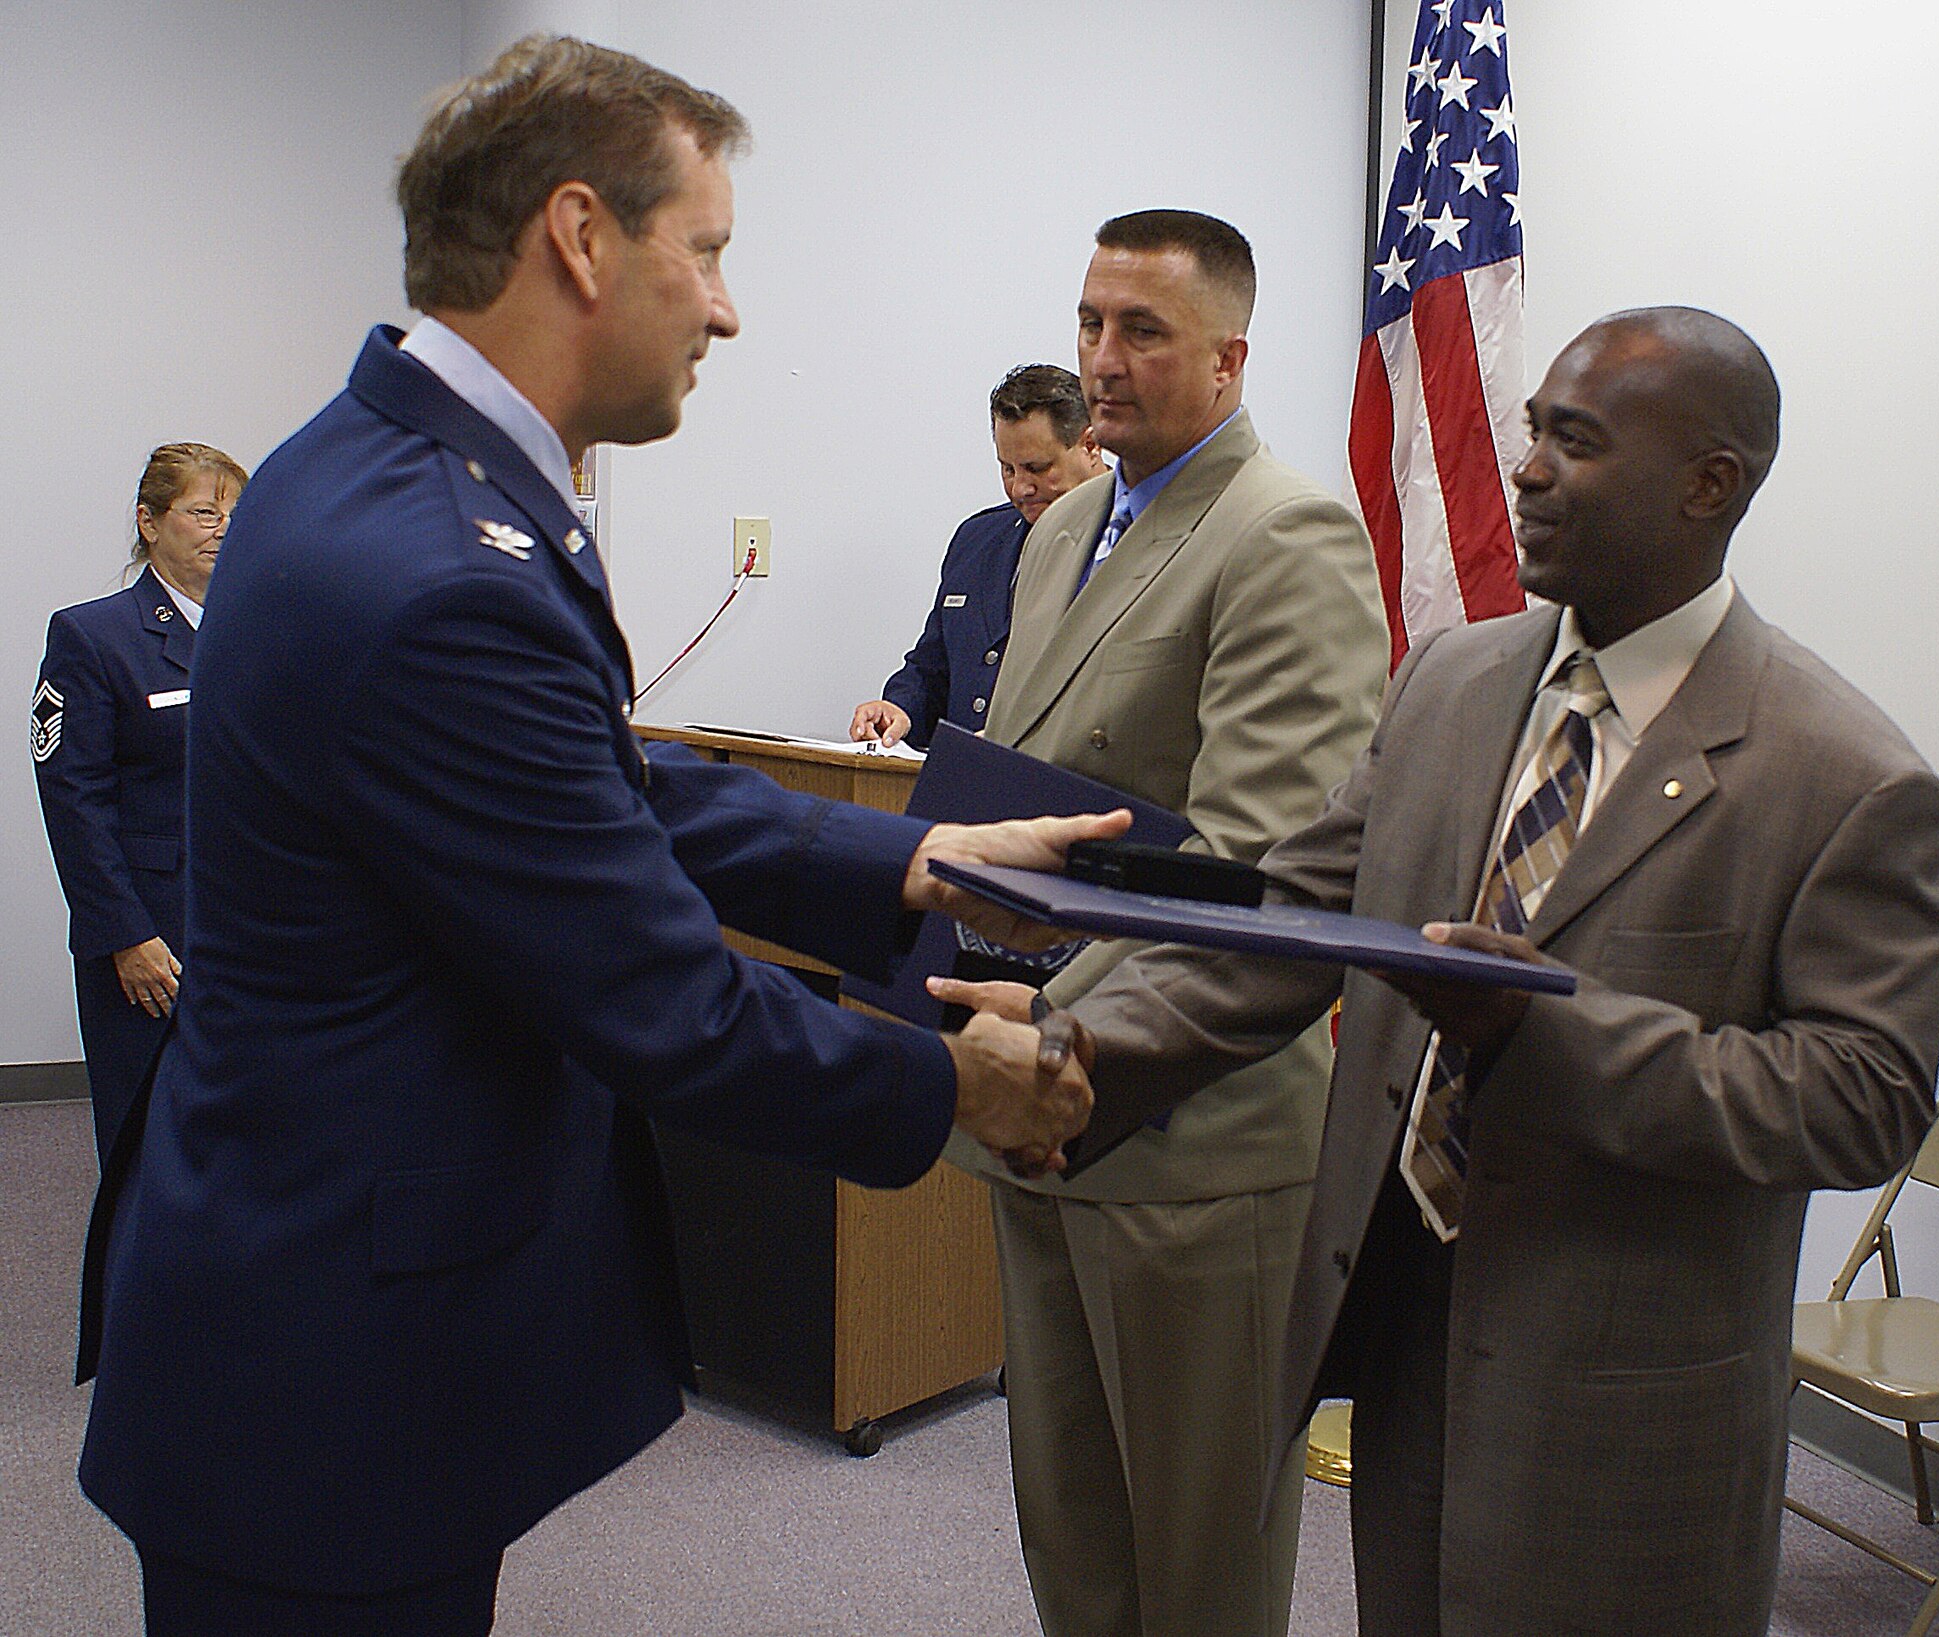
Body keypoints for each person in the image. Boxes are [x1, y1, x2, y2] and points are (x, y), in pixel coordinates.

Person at [73, 36, 1118, 1635]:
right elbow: (667, 1005)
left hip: (318, 1306)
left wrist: (914, 862)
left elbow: (594, 783)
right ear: (579, 236)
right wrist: (952, 1080)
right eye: (704, 250)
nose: (725, 305)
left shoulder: (378, 468)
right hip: (326, 1386)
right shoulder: (443, 563)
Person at [949, 307, 1939, 1636]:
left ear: (1710, 484)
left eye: (1576, 441)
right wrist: (1092, 1059)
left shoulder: (1847, 777)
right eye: (1535, 427)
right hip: (1410, 1333)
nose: (1528, 467)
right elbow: (1292, 913)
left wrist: (1547, 1036)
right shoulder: (1453, 681)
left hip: (1625, 1405)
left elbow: (1863, 1095)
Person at [942, 210, 1390, 1637]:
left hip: (1191, 1136)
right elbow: (1030, 797)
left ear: (1229, 358)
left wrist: (1050, 1019)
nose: (1103, 360)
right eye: (1090, 324)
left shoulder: (1285, 533)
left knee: (1198, 1575)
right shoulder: (1065, 519)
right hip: (1037, 1108)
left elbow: (1258, 874)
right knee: (1072, 1542)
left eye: (1143, 332)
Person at [32, 441, 247, 1163]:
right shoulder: (94, 636)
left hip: (249, 923)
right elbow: (74, 799)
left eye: (234, 513)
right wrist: (123, 934)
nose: (222, 527)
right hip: (153, 931)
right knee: (146, 1133)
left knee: (243, 1127)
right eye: (202, 511)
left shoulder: (257, 631)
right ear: (149, 522)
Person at [849, 363, 1105, 749]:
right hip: (965, 787)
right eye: (1007, 469)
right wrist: (899, 709)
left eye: (1037, 468)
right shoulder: (978, 540)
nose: (1021, 488)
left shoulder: (1134, 541)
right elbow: (932, 667)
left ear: (1090, 445)